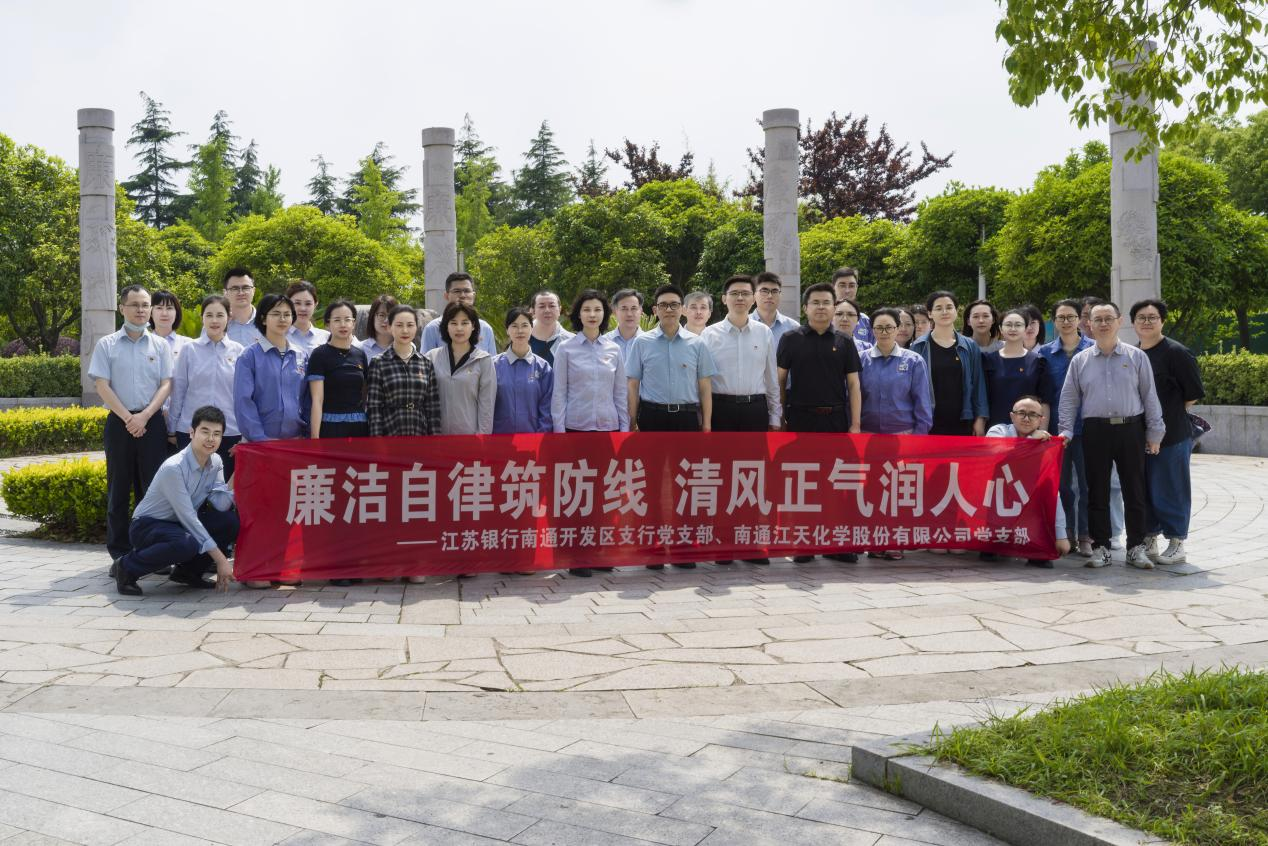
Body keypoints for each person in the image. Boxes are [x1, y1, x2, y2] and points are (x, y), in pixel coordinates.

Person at [1058, 301, 1165, 570]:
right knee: (1097, 491)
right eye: (1098, 319)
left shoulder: (1136, 357)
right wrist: (1065, 430)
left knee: (1134, 490)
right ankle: (1101, 547)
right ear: (1089, 324)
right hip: (1095, 430)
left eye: (1109, 318)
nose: (1103, 323)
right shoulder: (1080, 360)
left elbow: (1149, 396)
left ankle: (1136, 548)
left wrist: (1155, 432)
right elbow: (1069, 398)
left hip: (1131, 429)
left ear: (1119, 322)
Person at [112, 406, 239, 596]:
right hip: (147, 526)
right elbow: (188, 518)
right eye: (205, 432)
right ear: (192, 432)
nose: (211, 439)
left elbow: (221, 504)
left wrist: (239, 469)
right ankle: (126, 567)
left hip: (178, 526)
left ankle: (187, 573)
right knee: (186, 542)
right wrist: (221, 560)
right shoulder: (174, 467)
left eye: (216, 434)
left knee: (229, 522)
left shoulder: (216, 462)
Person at [777, 282, 862, 566]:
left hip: (835, 420)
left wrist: (855, 424)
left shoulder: (845, 341)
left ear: (834, 307)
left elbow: (854, 384)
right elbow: (779, 381)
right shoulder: (790, 339)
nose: (821, 307)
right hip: (801, 419)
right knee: (804, 483)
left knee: (836, 483)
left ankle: (836, 543)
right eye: (816, 302)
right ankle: (804, 542)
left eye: (827, 302)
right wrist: (780, 418)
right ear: (805, 307)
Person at [90, 285, 175, 564]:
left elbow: (166, 384)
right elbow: (102, 385)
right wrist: (129, 418)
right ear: (122, 308)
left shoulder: (160, 345)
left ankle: (148, 551)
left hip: (152, 423)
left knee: (151, 490)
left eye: (145, 305)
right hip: (119, 423)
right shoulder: (107, 344)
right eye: (135, 304)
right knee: (118, 488)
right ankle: (120, 554)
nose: (141, 310)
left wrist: (145, 416)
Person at [701, 274, 779, 566]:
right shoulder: (709, 335)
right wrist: (705, 419)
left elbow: (771, 378)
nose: (740, 298)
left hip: (754, 410)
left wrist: (775, 415)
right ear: (724, 299)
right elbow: (702, 381)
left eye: (746, 293)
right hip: (721, 409)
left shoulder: (764, 333)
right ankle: (723, 543)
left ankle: (750, 542)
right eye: (734, 293)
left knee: (752, 477)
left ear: (753, 298)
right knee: (722, 478)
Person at [551, 290, 628, 577]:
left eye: (597, 309)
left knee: (603, 495)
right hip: (576, 430)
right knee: (576, 494)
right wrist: (559, 432)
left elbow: (620, 393)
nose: (592, 314)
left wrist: (623, 429)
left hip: (606, 430)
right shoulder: (566, 348)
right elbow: (559, 393)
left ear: (605, 314)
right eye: (587, 309)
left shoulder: (614, 349)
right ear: (578, 314)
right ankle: (577, 555)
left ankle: (598, 551)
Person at [1132, 298, 1204, 566]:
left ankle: (1176, 542)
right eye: (1141, 317)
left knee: (1171, 487)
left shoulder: (1177, 353)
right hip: (1139, 435)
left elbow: (1192, 394)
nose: (1147, 322)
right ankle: (1150, 537)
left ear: (1162, 321)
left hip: (1172, 435)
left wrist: (1168, 414)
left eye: (1152, 317)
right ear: (1133, 323)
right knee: (1144, 488)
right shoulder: (1133, 354)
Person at [1038, 299, 1094, 557]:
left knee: (1087, 485)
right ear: (1054, 321)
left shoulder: (1093, 349)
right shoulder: (1045, 353)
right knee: (1062, 487)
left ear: (1080, 319)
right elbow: (1044, 394)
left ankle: (1086, 534)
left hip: (1089, 428)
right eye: (1061, 317)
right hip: (1057, 431)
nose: (1066, 321)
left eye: (1071, 316)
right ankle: (1067, 532)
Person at [986, 395, 1068, 568]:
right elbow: (1000, 455)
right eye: (1021, 413)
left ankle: (1035, 548)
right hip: (997, 500)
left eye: (1032, 415)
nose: (1026, 418)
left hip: (1027, 503)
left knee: (1043, 555)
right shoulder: (997, 431)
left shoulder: (1046, 444)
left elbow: (1052, 491)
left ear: (1041, 419)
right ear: (1012, 416)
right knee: (990, 550)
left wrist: (1061, 535)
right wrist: (1031, 442)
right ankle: (994, 543)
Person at [170, 295, 245, 479]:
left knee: (223, 488)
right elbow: (178, 391)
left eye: (220, 315)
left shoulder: (239, 351)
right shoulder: (189, 349)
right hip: (191, 431)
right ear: (202, 317)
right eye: (209, 315)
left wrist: (245, 435)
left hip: (229, 432)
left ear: (229, 317)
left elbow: (244, 396)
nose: (214, 320)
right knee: (191, 486)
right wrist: (172, 429)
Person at [911, 291, 988, 437]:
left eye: (949, 307)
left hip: (963, 419)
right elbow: (912, 387)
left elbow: (978, 383)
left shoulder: (970, 346)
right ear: (930, 313)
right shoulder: (919, 346)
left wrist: (980, 418)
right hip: (928, 420)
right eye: (938, 308)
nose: (945, 312)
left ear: (956, 311)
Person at [233, 293, 307, 444]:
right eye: (276, 314)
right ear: (263, 319)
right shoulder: (249, 356)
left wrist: (307, 434)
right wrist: (260, 438)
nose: (282, 319)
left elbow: (308, 398)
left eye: (287, 314)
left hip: (297, 440)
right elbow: (243, 402)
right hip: (260, 443)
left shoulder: (301, 355)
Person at [367, 304, 441, 438]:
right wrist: (377, 441)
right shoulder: (379, 362)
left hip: (420, 434)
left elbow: (433, 406)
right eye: (399, 325)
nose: (405, 330)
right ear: (389, 327)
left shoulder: (425, 363)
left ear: (416, 327)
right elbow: (374, 407)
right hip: (390, 433)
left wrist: (435, 440)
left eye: (410, 325)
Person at [858, 307, 932, 437]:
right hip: (866, 432)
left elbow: (922, 402)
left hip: (905, 433)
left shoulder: (914, 361)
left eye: (889, 327)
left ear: (897, 328)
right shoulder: (860, 360)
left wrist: (919, 436)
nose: (884, 332)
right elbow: (851, 399)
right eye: (879, 328)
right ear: (872, 330)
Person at [425, 302, 497, 436]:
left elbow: (487, 406)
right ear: (446, 326)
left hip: (470, 439)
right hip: (436, 437)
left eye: (465, 323)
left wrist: (482, 438)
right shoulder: (431, 357)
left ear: (473, 326)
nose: (459, 328)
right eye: (453, 323)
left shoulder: (484, 360)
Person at [307, 300, 369, 439]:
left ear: (354, 323)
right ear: (327, 324)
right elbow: (317, 400)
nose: (343, 324)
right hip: (330, 427)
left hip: (359, 427)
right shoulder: (319, 355)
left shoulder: (360, 354)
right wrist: (315, 438)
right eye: (337, 320)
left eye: (347, 319)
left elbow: (365, 393)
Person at [982, 308, 1054, 428]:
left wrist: (1042, 430)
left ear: (1025, 329)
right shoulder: (988, 360)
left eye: (1018, 325)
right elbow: (982, 398)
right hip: (995, 428)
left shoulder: (1038, 361)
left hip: (1029, 429)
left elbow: (1044, 401)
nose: (1013, 329)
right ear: (1000, 329)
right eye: (1008, 325)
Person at [493, 307, 553, 434]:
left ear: (531, 328)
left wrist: (540, 437)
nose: (520, 331)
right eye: (514, 326)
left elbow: (547, 407)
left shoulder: (543, 367)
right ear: (507, 330)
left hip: (533, 439)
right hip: (499, 438)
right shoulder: (493, 365)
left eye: (525, 325)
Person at [149, 289, 192, 452]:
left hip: (182, 423)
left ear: (177, 312)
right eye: (159, 308)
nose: (164, 313)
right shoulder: (142, 344)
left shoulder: (188, 345)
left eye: (169, 308)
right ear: (150, 312)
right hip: (149, 419)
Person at [421, 272, 498, 355]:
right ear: (446, 296)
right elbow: (425, 361)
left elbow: (492, 361)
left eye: (467, 291)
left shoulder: (485, 329)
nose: (462, 295)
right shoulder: (432, 328)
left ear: (473, 295)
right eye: (457, 291)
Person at [752, 271, 801, 349]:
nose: (770, 296)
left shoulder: (793, 327)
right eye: (764, 291)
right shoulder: (742, 325)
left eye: (774, 291)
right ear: (754, 295)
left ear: (780, 295)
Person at [284, 280, 330, 357]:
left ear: (315, 305)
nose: (303, 308)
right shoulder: (278, 337)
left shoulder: (327, 338)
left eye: (308, 304)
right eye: (297, 303)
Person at [529, 290, 575, 366]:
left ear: (559, 310)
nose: (547, 310)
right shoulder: (521, 337)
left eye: (552, 306)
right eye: (542, 306)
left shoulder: (572, 341)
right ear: (533, 311)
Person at [222, 268, 263, 347]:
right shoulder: (217, 324)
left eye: (246, 288)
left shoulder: (267, 322)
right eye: (235, 288)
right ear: (225, 293)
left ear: (253, 291)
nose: (241, 293)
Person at [603, 288, 646, 363]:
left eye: (634, 308)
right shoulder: (603, 342)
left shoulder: (649, 343)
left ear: (641, 311)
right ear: (614, 312)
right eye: (624, 309)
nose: (629, 314)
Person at [831, 267, 873, 343]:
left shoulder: (865, 321)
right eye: (842, 285)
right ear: (833, 288)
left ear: (856, 288)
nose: (847, 291)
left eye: (851, 286)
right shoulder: (823, 321)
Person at [360, 294, 398, 360]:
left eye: (391, 315)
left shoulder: (407, 347)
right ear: (372, 317)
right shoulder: (360, 349)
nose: (386, 320)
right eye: (381, 315)